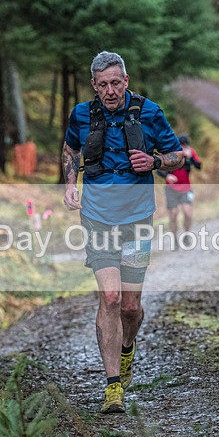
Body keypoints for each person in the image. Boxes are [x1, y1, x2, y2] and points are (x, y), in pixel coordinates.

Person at [62, 51, 184, 414]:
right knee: (111, 298)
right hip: (97, 218)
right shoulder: (81, 114)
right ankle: (113, 386)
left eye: (116, 83)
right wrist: (70, 183)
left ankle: (128, 345)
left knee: (131, 306)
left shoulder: (149, 112)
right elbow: (70, 148)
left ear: (126, 81)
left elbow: (178, 154)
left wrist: (156, 161)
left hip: (137, 221)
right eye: (103, 85)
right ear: (94, 86)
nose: (110, 91)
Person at [158, 134, 201, 246]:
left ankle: (186, 234)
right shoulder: (169, 152)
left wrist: (190, 157)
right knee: (173, 215)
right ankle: (175, 238)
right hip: (171, 188)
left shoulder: (190, 152)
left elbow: (199, 166)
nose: (183, 147)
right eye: (181, 145)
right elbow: (158, 167)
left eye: (184, 145)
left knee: (188, 213)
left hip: (186, 188)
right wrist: (167, 176)